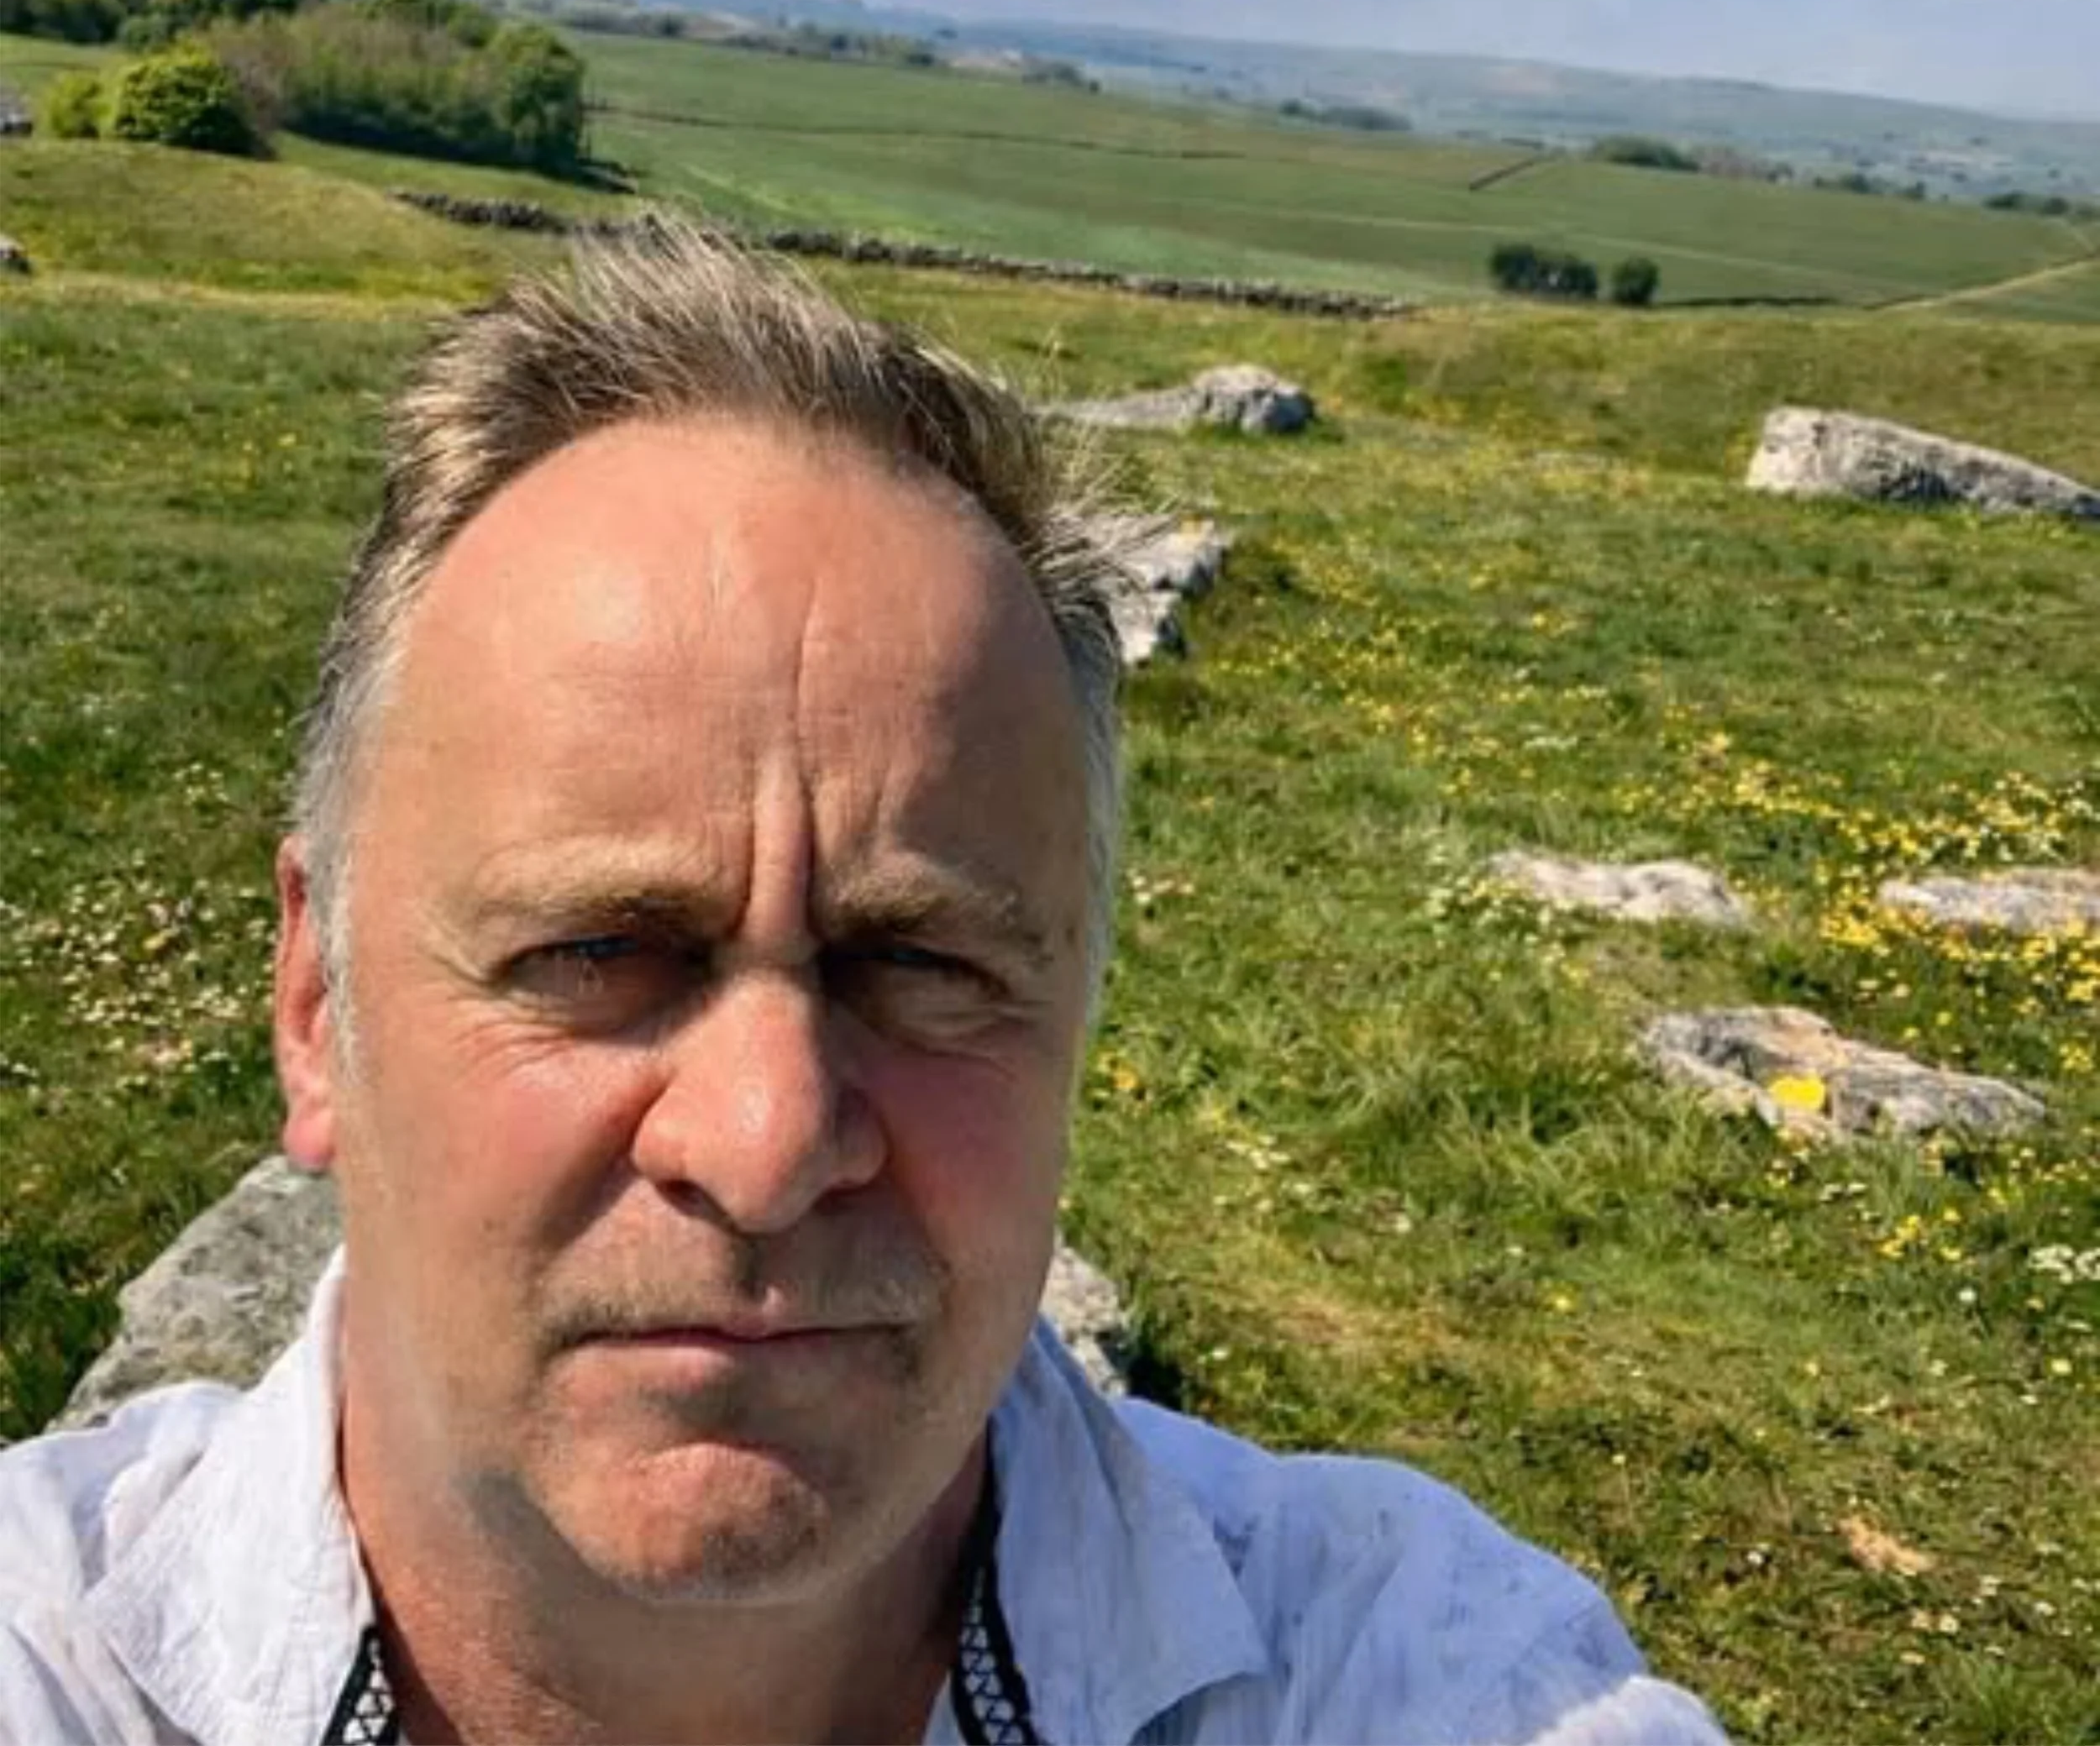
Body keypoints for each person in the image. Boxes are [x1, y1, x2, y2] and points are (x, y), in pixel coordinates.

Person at [0, 223, 1727, 1746]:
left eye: (919, 962)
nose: (764, 1140)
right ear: (316, 1002)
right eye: (596, 951)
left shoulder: (1418, 1671)